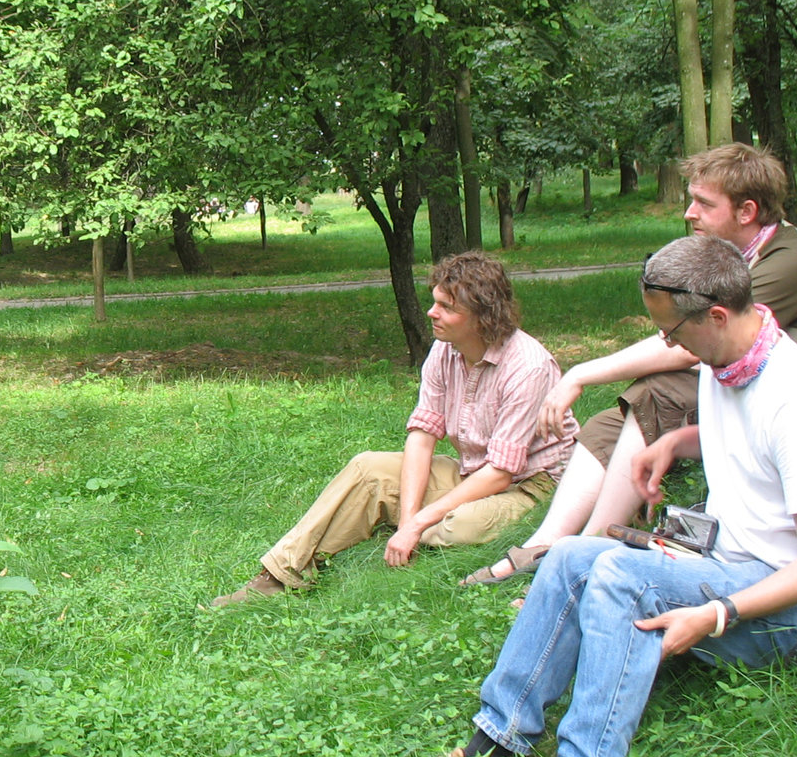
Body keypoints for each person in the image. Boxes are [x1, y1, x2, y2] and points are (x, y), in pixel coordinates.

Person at [393, 235, 797, 757]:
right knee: (566, 556)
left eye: (673, 333)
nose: (667, 345)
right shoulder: (731, 362)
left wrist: (718, 612)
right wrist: (680, 440)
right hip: (732, 563)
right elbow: (752, 439)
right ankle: (493, 748)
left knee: (619, 576)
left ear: (717, 316)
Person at [463, 143, 797, 586]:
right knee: (607, 424)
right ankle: (546, 547)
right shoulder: (742, 256)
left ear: (747, 210)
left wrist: (580, 373)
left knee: (654, 392)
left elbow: (690, 344)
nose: (689, 213)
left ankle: (587, 555)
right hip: (746, 390)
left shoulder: (790, 260)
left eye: (704, 203)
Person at [211, 252, 578, 607]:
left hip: (532, 485)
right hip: (472, 471)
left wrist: (417, 522)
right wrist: (407, 522)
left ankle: (407, 522)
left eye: (447, 307)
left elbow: (501, 474)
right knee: (368, 467)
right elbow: (422, 437)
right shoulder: (444, 350)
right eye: (434, 301)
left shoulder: (527, 367)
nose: (432, 313)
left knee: (454, 528)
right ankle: (280, 575)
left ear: (483, 317)